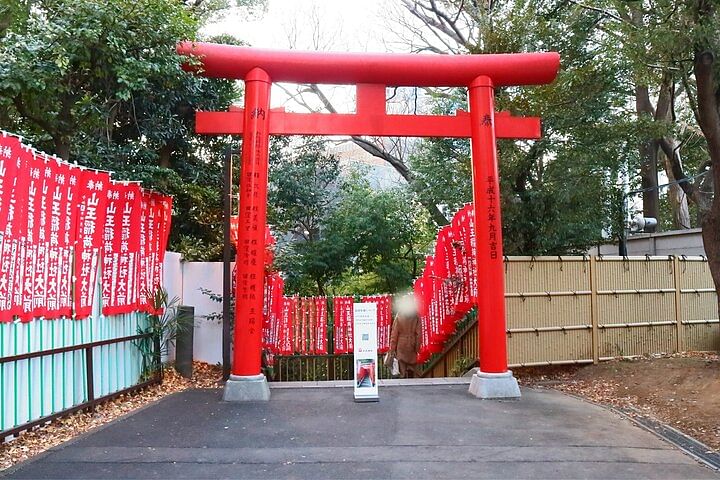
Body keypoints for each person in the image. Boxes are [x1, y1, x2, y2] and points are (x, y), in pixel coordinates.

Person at [389, 310, 421, 378]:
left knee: (401, 371)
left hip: (401, 344)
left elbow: (394, 335)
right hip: (412, 343)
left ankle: (402, 380)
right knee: (415, 369)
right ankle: (416, 385)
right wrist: (417, 348)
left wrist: (392, 350)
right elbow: (419, 334)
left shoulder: (399, 316)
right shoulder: (416, 316)